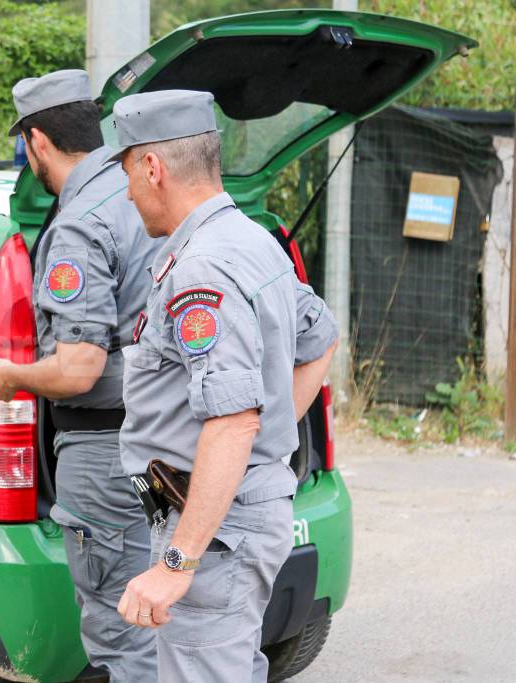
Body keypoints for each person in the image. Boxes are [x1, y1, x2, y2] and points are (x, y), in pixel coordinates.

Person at [111, 90, 338, 681]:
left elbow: (233, 421)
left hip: (216, 529)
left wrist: (178, 562)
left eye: (127, 174)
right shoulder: (254, 241)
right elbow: (322, 341)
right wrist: (267, 439)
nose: (129, 195)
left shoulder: (203, 266)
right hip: (229, 514)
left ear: (152, 168)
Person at [0, 69, 160, 681]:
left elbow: (80, 367)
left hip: (105, 453)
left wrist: (10, 374)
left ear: (36, 141)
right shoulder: (144, 196)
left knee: (120, 634)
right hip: (167, 443)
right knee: (161, 613)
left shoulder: (81, 223)